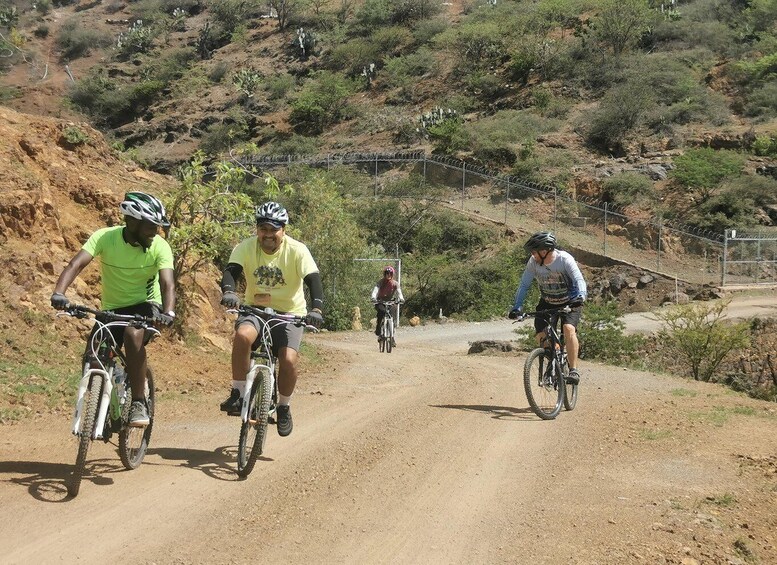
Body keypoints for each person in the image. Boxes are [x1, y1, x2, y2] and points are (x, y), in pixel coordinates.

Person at [50, 192, 176, 426]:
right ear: (132, 222)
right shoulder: (104, 238)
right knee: (93, 353)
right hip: (112, 309)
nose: (156, 232)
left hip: (146, 306)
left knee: (132, 334)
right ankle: (103, 395)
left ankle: (138, 401)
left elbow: (167, 283)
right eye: (151, 226)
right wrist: (60, 293)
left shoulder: (160, 246)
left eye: (158, 227)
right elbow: (75, 264)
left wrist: (168, 313)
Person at [219, 201, 324, 437]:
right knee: (243, 336)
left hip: (290, 314)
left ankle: (284, 406)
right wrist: (229, 291)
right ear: (257, 229)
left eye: (273, 229)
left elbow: (313, 280)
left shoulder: (297, 250)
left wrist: (316, 309)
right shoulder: (246, 247)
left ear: (283, 230)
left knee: (288, 359)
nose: (268, 235)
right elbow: (231, 271)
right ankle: (237, 392)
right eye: (263, 229)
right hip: (255, 309)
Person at [508, 232, 586, 384]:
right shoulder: (533, 263)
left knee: (569, 329)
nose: (532, 255)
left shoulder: (564, 259)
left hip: (570, 302)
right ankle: (553, 358)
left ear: (544, 251)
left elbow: (578, 279)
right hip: (547, 302)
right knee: (541, 334)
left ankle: (573, 371)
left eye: (534, 252)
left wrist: (581, 296)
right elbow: (524, 285)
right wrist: (516, 307)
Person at [371, 265, 404, 347]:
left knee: (392, 316)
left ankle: (392, 338)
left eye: (390, 273)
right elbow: (375, 290)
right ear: (384, 274)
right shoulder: (380, 282)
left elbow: (399, 292)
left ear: (392, 274)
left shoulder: (395, 283)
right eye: (386, 273)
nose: (388, 275)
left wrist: (401, 298)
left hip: (390, 302)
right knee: (381, 312)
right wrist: (373, 297)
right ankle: (378, 328)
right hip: (380, 301)